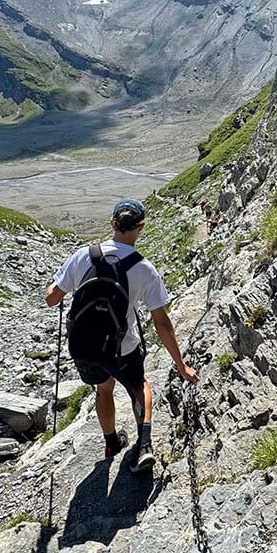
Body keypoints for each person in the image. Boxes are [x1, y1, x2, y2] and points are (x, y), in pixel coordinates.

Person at [45, 198, 198, 472]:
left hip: (85, 345)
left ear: (112, 223)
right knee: (139, 387)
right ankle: (144, 446)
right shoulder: (144, 269)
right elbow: (162, 323)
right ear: (140, 227)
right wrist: (181, 365)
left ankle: (111, 443)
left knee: (103, 390)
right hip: (122, 347)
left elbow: (52, 299)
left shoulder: (83, 255)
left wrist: (55, 286)